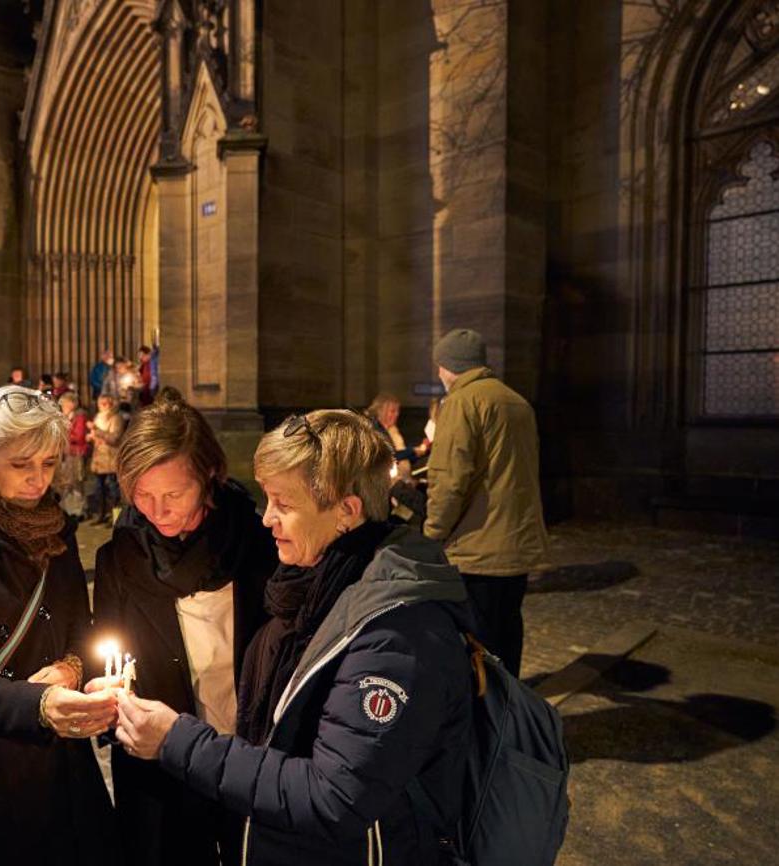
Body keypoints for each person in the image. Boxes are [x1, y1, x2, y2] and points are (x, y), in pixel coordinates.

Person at [113, 410, 475, 866]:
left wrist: (177, 741)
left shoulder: (396, 633)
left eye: (283, 504)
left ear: (346, 511)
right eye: (266, 499)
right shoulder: (310, 586)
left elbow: (333, 795)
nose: (267, 519)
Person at [0, 385, 117, 866]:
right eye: (21, 465)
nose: (38, 479)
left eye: (49, 463)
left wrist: (72, 668)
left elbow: (80, 628)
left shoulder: (57, 530)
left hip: (62, 763)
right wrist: (34, 704)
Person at [90, 399, 277, 866]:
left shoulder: (259, 545)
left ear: (209, 476)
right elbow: (109, 658)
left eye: (174, 493)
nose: (158, 511)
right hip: (161, 776)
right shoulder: (120, 559)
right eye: (142, 494)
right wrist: (105, 697)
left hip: (249, 761)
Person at [423, 328, 548, 677]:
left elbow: (449, 478)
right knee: (508, 630)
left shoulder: (462, 402)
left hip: (478, 545)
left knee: (478, 641)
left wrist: (432, 534)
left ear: (449, 365)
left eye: (439, 365)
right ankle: (509, 700)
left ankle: (486, 706)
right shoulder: (516, 402)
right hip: (514, 542)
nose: (438, 373)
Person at [87, 393, 124, 524]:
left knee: (113, 490)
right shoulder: (98, 416)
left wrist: (97, 431)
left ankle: (116, 518)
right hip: (99, 459)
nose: (103, 406)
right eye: (101, 404)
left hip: (110, 458)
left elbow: (114, 438)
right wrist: (91, 437)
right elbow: (98, 435)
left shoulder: (116, 418)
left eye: (105, 403)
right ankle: (101, 514)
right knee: (100, 489)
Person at [55, 391, 88, 512]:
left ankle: (78, 510)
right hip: (67, 453)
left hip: (76, 454)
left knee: (76, 482)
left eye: (64, 404)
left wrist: (63, 434)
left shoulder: (79, 417)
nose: (62, 407)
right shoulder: (67, 417)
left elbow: (79, 436)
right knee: (67, 483)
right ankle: (69, 509)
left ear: (71, 404)